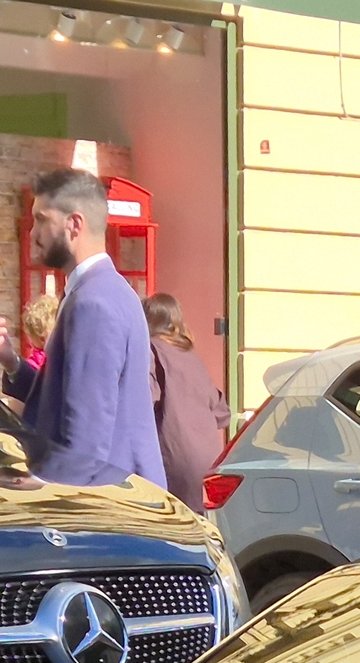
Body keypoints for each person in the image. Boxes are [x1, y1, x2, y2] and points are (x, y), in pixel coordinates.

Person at [19, 168, 162, 489]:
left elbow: (86, 430)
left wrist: (41, 482)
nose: (32, 233)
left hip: (110, 498)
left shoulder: (92, 303)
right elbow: (69, 392)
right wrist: (11, 363)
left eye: (41, 219)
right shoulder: (110, 289)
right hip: (120, 486)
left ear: (74, 225)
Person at [143, 292, 228, 505]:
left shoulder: (151, 351)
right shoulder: (190, 355)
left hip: (176, 462)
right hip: (210, 461)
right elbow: (222, 412)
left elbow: (145, 401)